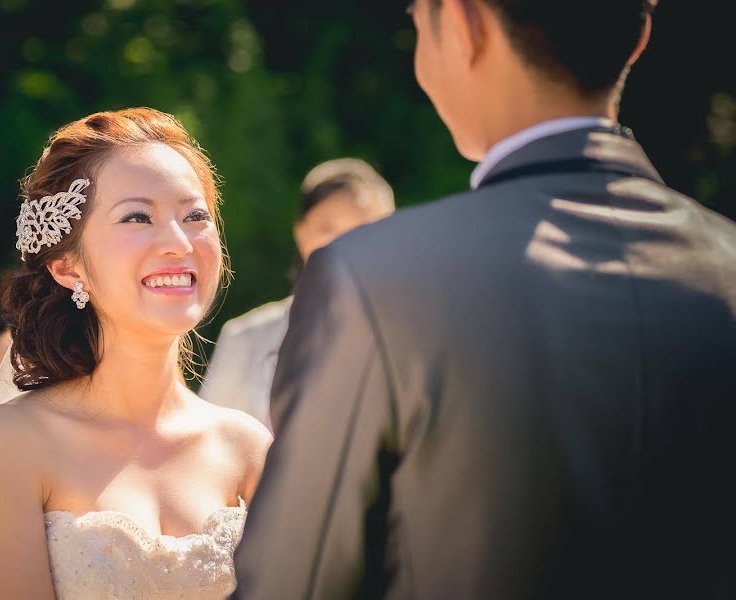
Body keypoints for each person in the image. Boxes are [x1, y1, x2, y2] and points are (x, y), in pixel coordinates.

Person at [233, 1, 736, 598]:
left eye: (418, 20)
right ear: (637, 38)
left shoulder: (375, 277)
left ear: (465, 25)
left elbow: (297, 580)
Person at [0, 108, 271, 600]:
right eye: (138, 217)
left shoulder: (247, 449)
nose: (178, 243)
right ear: (68, 267)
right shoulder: (10, 444)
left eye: (195, 216)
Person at [201, 159, 394, 426]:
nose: (344, 245)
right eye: (328, 229)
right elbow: (213, 448)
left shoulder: (420, 339)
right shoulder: (245, 339)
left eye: (363, 231)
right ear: (301, 232)